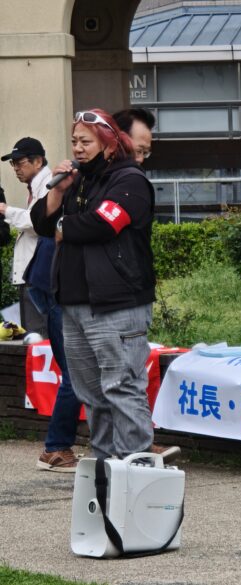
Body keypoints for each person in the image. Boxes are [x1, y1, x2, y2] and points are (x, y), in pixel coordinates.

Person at [30, 108, 165, 460]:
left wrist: (64, 228)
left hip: (117, 305)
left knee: (122, 388)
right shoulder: (78, 180)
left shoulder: (129, 180)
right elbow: (42, 224)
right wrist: (58, 191)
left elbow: (104, 223)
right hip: (74, 305)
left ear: (109, 144)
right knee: (91, 395)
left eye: (86, 142)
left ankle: (135, 467)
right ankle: (105, 470)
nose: (77, 148)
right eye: (74, 141)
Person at [0, 138, 50, 336]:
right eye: (13, 164)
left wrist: (7, 210)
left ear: (37, 161)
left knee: (40, 338)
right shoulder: (35, 187)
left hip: (39, 273)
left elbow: (40, 222)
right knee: (34, 337)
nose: (15, 169)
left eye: (19, 163)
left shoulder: (49, 185)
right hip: (32, 273)